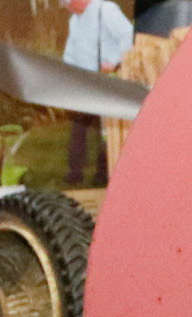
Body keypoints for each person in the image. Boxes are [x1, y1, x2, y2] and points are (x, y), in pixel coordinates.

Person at [62, 0, 133, 184]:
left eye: (68, 4)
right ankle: (75, 173)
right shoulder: (74, 19)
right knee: (79, 129)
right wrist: (67, 72)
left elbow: (127, 34)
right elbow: (71, 50)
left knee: (105, 131)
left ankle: (103, 174)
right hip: (84, 84)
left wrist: (115, 61)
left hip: (105, 80)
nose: (67, 9)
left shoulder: (105, 9)